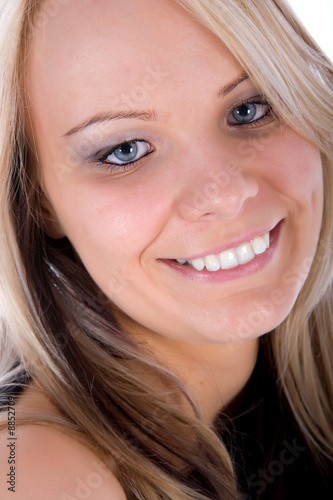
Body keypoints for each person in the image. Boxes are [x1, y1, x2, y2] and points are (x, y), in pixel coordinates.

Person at [0, 0, 332, 498]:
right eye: (125, 150)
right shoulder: (36, 475)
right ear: (39, 203)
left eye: (250, 109)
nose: (223, 193)